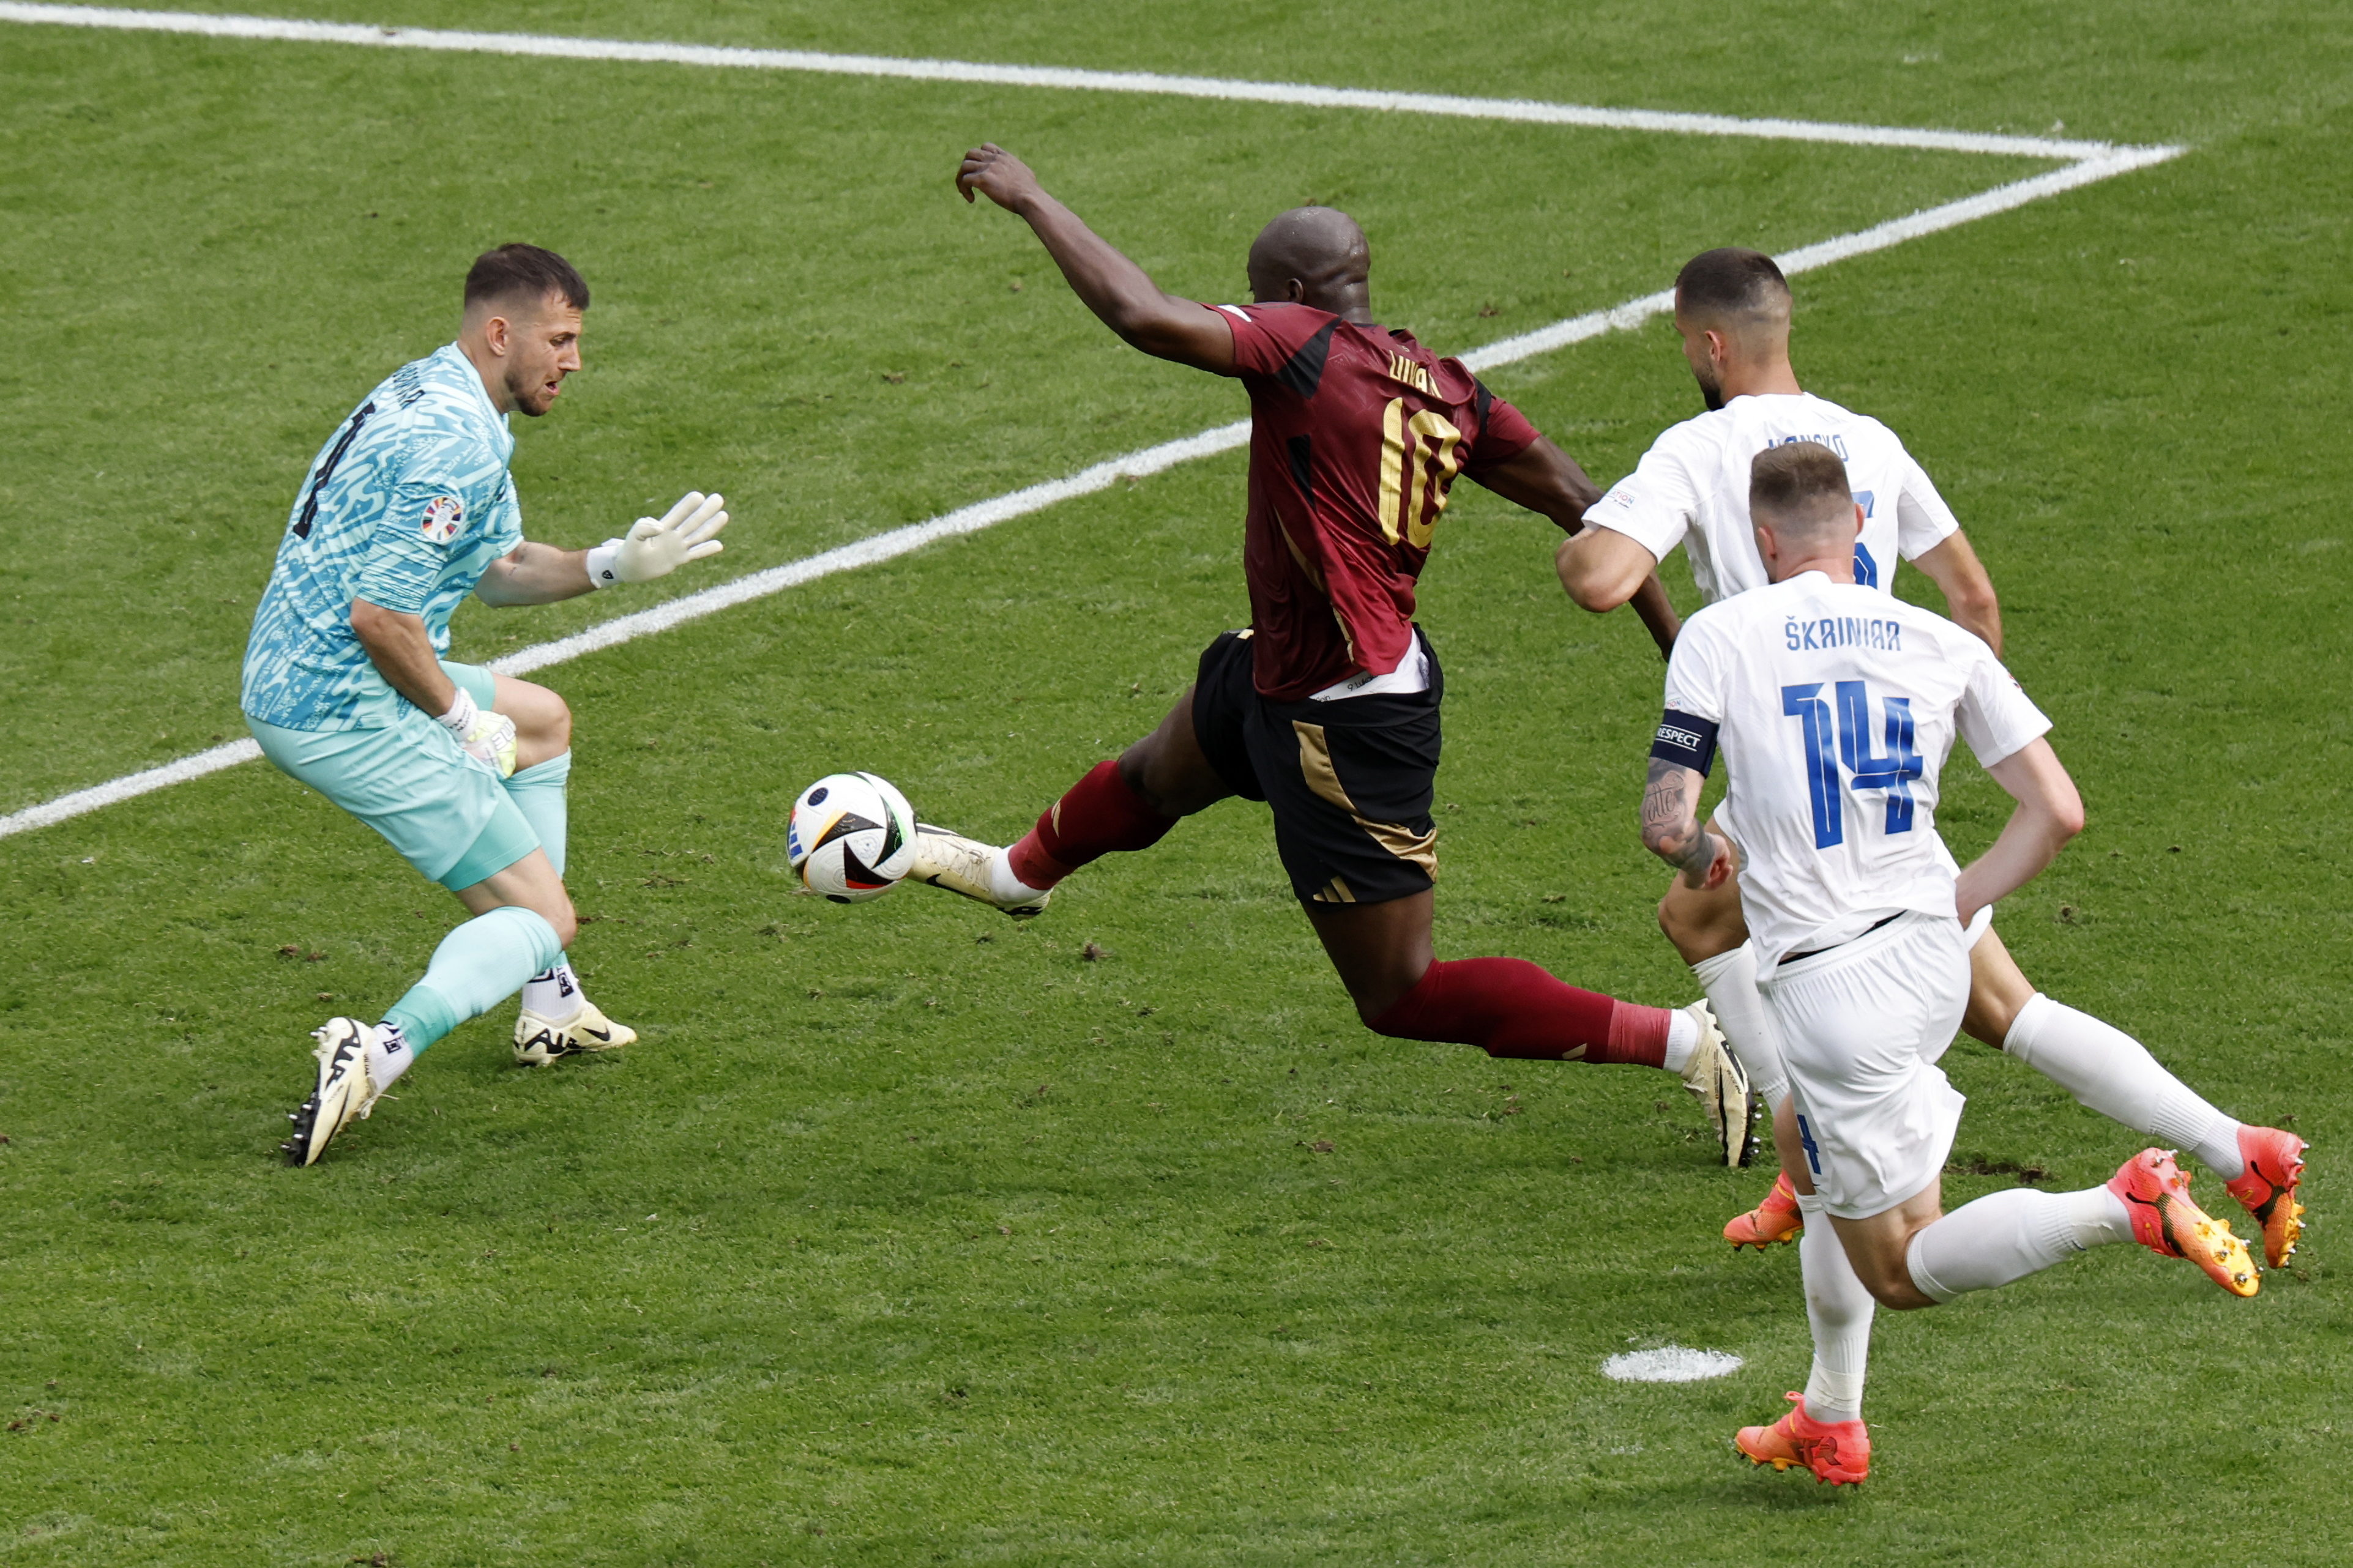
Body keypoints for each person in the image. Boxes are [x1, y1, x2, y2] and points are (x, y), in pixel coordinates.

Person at [912, 144, 1754, 1157]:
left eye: (1257, 299)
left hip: (1347, 721)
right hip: (1285, 660)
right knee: (1157, 771)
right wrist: (1682, 648)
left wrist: (1036, 199)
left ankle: (1688, 1042)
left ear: (1295, 295)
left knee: (1399, 991)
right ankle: (1019, 876)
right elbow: (1592, 510)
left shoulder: (1298, 343)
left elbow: (1143, 315)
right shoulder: (1451, 390)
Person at [1561, 247, 2303, 1261]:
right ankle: (2237, 1147)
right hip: (1880, 757)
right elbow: (1972, 601)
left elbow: (1600, 577)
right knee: (2000, 1006)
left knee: (1697, 909)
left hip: (1799, 771)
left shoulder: (1700, 449)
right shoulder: (1869, 442)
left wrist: (1577, 524)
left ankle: (1804, 1152)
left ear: (1707, 343)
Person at [1643, 442, 2272, 1485]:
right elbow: (2057, 811)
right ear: (1858, 527)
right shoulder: (1938, 640)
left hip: (1830, 990)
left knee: (1897, 1268)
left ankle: (2120, 1208)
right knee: (1804, 1143)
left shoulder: (1720, 633)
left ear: (1761, 542)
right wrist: (1958, 898)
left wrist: (1709, 852)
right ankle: (1830, 1416)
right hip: (1931, 960)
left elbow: (1667, 822)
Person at [242, 243, 733, 1165]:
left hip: (307, 665)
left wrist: (610, 566)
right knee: (544, 916)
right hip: (341, 697)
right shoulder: (454, 444)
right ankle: (377, 1050)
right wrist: (461, 724)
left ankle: (550, 1007)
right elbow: (383, 619)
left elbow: (498, 571)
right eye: (561, 338)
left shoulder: (440, 390)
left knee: (542, 721)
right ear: (501, 332)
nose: (573, 361)